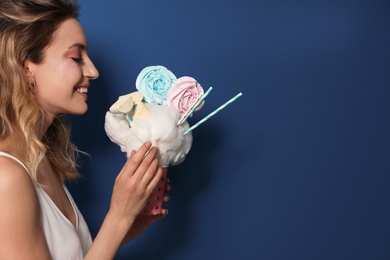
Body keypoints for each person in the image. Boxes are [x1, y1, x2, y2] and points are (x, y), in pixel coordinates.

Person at [0, 0, 169, 259]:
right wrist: (118, 217)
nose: (93, 71)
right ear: (26, 68)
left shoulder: (40, 158)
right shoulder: (6, 178)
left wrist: (132, 221)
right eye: (76, 57)